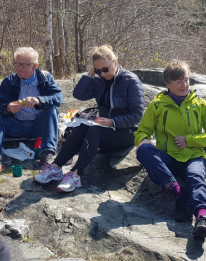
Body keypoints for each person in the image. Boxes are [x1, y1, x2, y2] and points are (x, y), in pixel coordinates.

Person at [33, 45, 145, 192]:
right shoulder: (98, 79)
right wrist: (90, 75)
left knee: (94, 130)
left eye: (105, 69)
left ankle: (76, 174)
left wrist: (112, 122)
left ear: (115, 62)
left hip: (126, 132)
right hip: (104, 128)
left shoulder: (130, 81)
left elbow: (137, 115)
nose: (103, 74)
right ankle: (56, 168)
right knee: (82, 127)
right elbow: (79, 95)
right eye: (98, 70)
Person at [134, 60, 206, 240]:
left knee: (195, 177)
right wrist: (143, 140)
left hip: (194, 156)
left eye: (187, 80)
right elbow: (141, 131)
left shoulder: (200, 104)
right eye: (179, 82)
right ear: (168, 84)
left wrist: (189, 140)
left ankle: (202, 218)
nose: (185, 85)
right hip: (169, 158)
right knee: (143, 151)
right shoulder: (158, 105)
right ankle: (180, 196)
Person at [0, 47, 62, 174]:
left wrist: (40, 100)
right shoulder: (9, 81)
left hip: (39, 126)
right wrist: (7, 108)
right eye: (17, 64)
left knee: (52, 109)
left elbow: (58, 98)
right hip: (16, 126)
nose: (19, 68)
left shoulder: (45, 78)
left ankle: (47, 154)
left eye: (23, 65)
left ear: (34, 66)